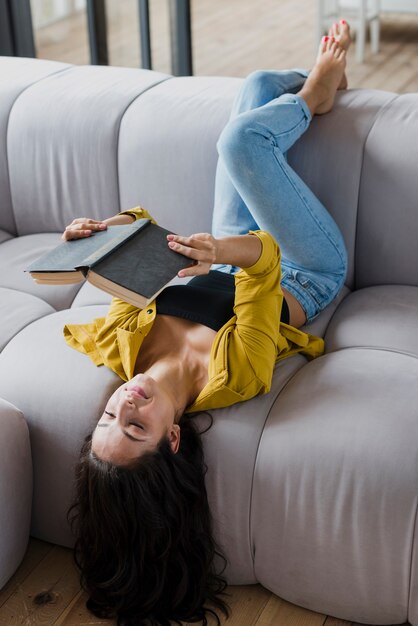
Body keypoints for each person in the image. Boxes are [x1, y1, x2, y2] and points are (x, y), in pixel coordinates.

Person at [65, 22, 351, 626]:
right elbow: (265, 264)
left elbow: (141, 238)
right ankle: (318, 94)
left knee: (255, 84)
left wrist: (99, 237)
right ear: (172, 440)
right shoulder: (231, 379)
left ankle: (312, 91)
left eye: (109, 416)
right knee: (242, 143)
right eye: (136, 427)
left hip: (223, 250)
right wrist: (221, 252)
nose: (126, 402)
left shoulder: (124, 347)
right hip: (300, 268)